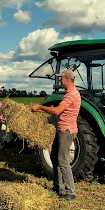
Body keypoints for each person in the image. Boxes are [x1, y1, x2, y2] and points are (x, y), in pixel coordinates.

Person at [31, 69, 81, 200]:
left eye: (61, 78)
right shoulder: (69, 93)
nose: (60, 80)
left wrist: (40, 108)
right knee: (54, 158)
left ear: (67, 79)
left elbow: (57, 111)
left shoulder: (71, 95)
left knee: (63, 161)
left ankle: (71, 192)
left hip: (66, 131)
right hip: (62, 129)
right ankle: (57, 186)